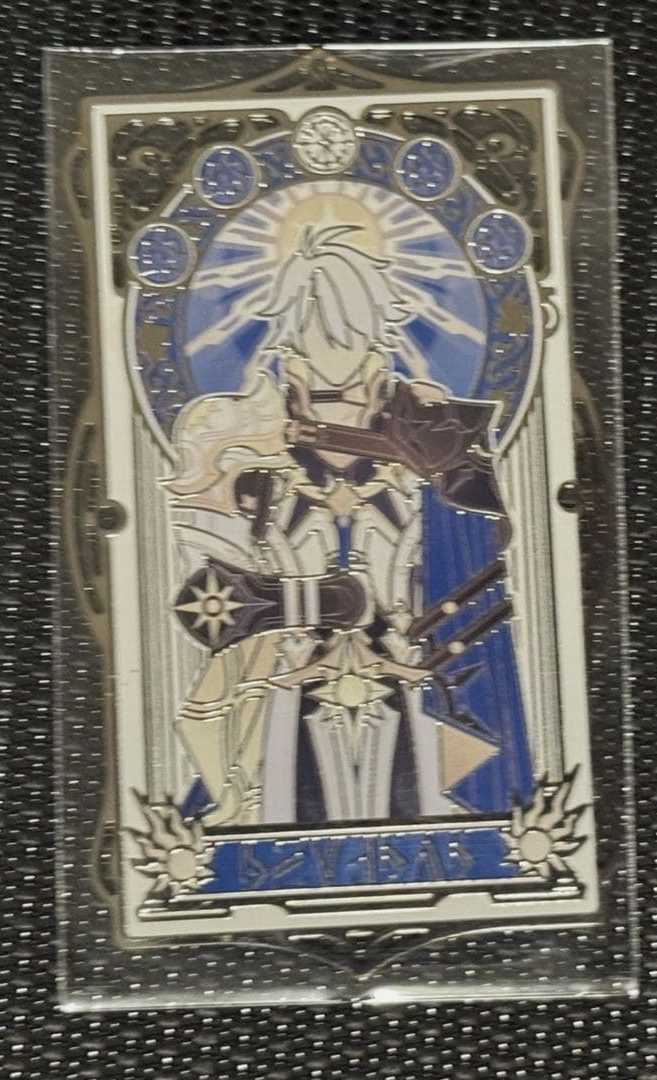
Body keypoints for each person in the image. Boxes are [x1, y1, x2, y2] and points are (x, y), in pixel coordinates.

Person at [167, 224, 522, 827]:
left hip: (409, 700)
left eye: (349, 336)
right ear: (291, 352)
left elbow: (479, 594)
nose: (334, 365)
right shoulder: (254, 472)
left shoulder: (430, 462)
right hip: (291, 705)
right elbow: (219, 607)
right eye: (315, 336)